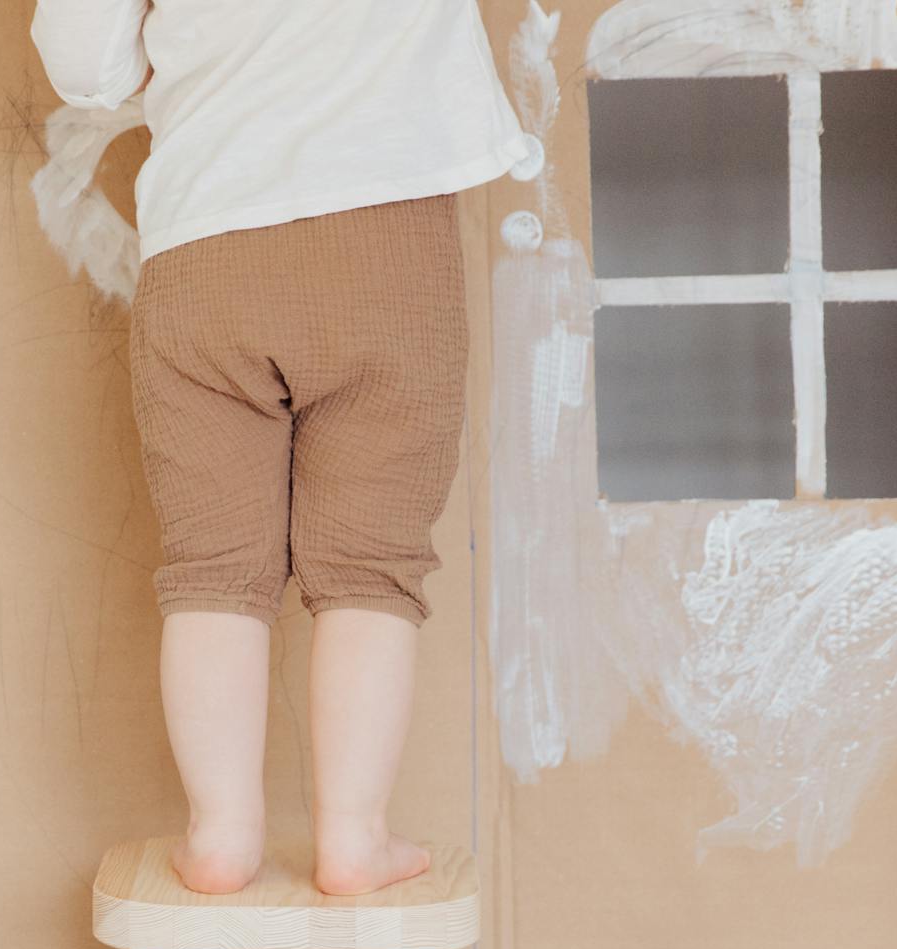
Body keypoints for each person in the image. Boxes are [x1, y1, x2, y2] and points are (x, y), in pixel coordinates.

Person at [31, 0, 530, 895]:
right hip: (388, 242)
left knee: (213, 570)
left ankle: (221, 833)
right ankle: (353, 835)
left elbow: (81, 59)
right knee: (370, 571)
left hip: (203, 245)